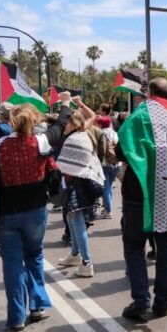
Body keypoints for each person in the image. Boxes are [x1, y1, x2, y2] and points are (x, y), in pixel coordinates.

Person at [117, 78, 167, 318]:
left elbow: (121, 148)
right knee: (166, 246)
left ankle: (141, 300)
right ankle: (163, 302)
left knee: (135, 245)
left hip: (140, 192)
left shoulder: (142, 114)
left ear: (149, 93)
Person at [0, 104, 56, 331]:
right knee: (35, 255)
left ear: (12, 120)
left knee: (12, 264)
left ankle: (16, 317)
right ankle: (37, 306)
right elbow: (53, 170)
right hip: (35, 209)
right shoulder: (39, 144)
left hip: (7, 211)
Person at [55, 100, 103, 278]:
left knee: (77, 222)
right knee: (71, 218)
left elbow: (61, 165)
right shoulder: (84, 132)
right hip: (82, 183)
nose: (62, 125)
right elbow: (92, 116)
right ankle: (75, 255)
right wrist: (80, 104)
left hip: (79, 186)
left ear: (73, 123)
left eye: (64, 122)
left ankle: (86, 263)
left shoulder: (74, 140)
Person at [97, 115, 120, 219]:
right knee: (109, 186)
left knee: (105, 187)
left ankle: (108, 211)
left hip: (104, 164)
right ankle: (107, 208)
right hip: (116, 163)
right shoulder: (115, 133)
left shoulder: (100, 133)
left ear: (100, 124)